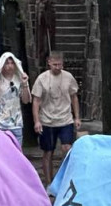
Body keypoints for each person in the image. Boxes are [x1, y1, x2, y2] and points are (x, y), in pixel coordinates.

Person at [31, 52, 81, 184]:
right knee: (48, 152)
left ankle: (66, 179)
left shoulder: (68, 77)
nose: (57, 67)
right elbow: (36, 100)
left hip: (65, 119)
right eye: (54, 65)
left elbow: (74, 97)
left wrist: (77, 117)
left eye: (59, 65)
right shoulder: (42, 78)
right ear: (49, 63)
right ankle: (49, 182)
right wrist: (37, 121)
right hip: (47, 120)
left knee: (67, 148)